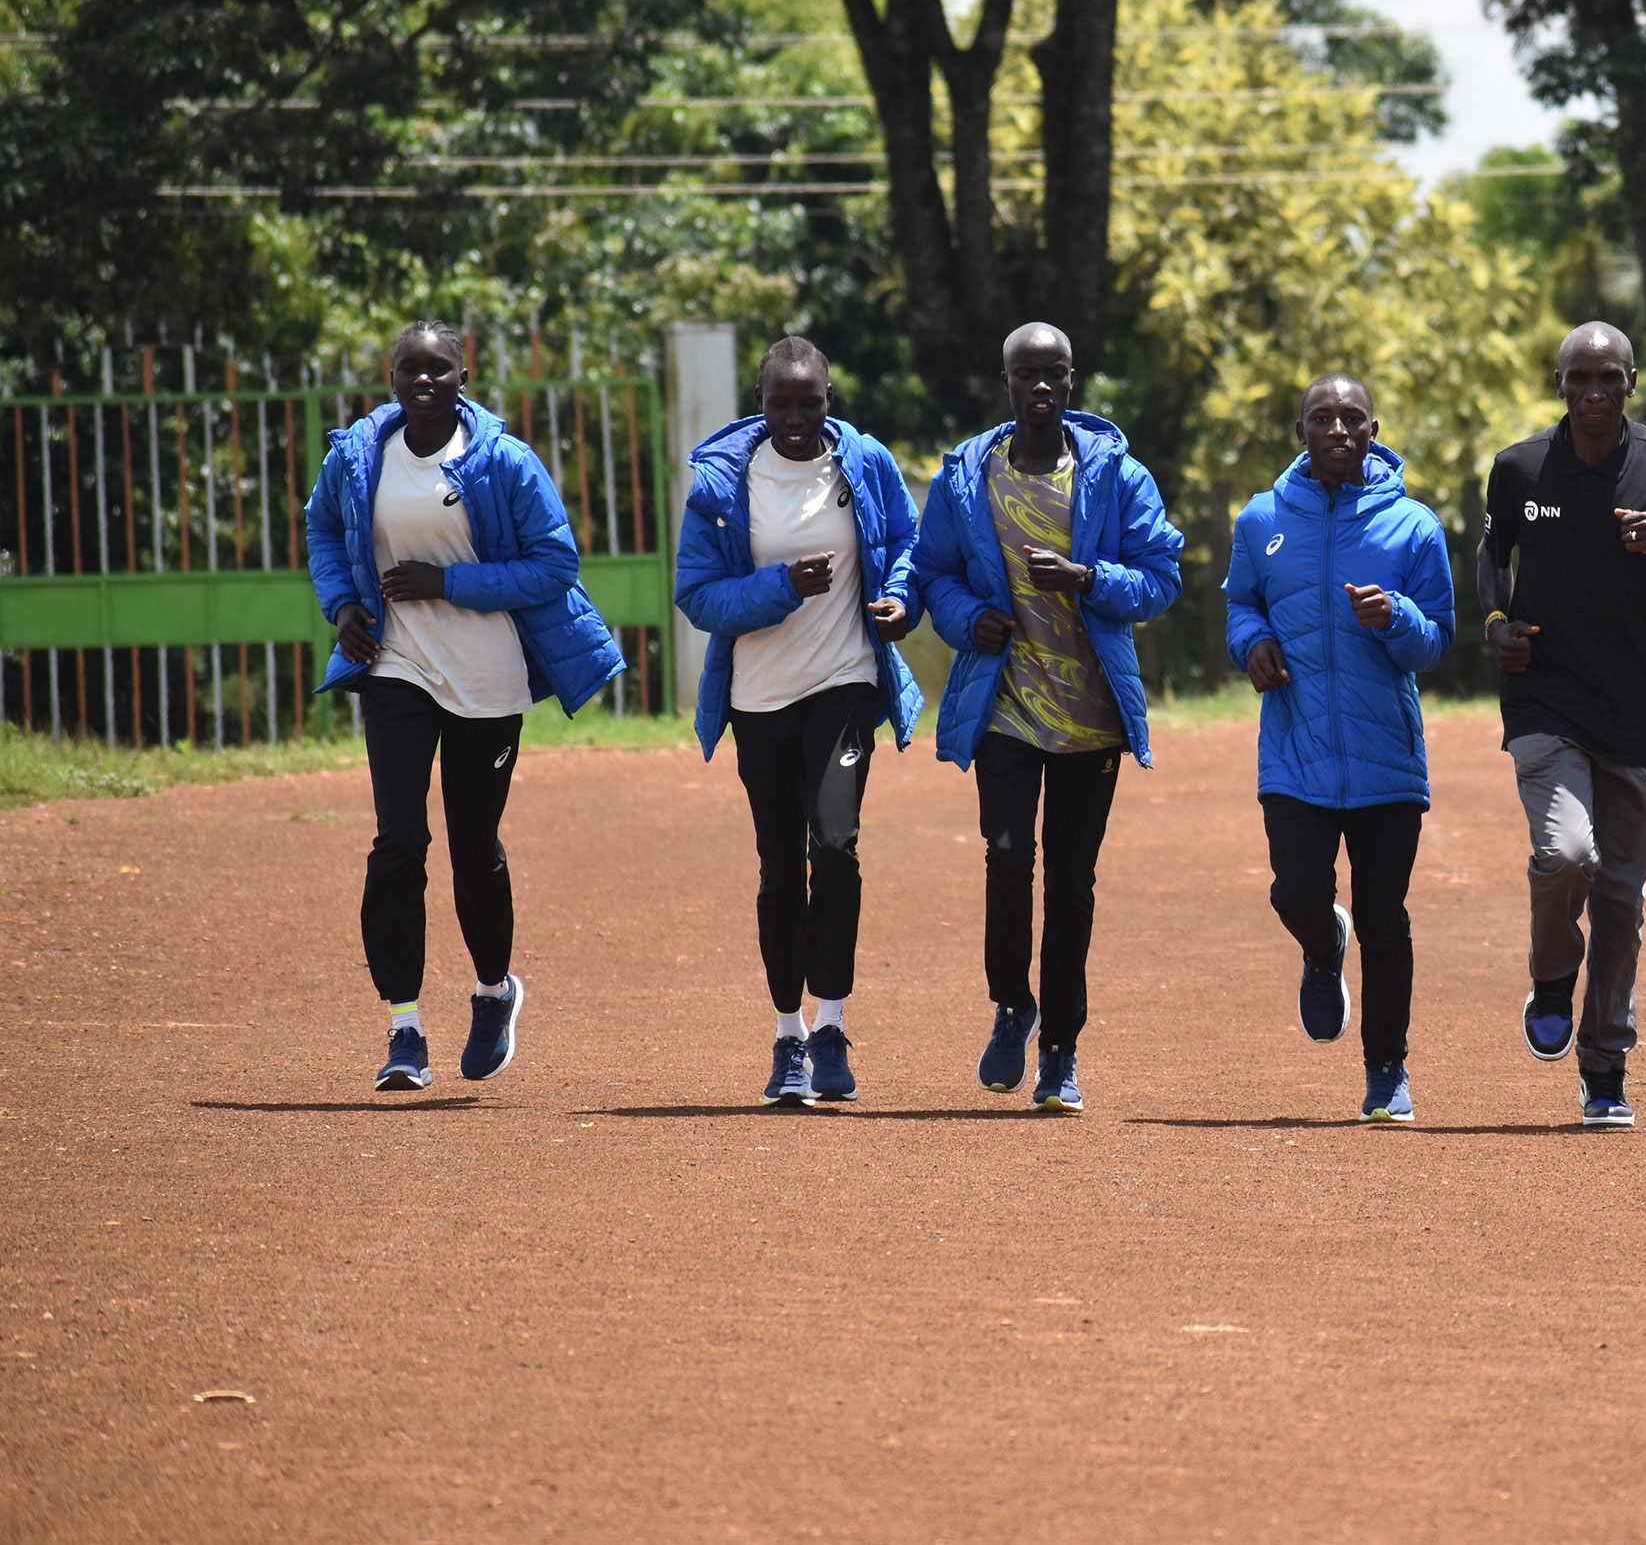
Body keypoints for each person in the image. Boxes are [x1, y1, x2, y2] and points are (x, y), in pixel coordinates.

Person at [306, 320, 625, 1092]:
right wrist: (342, 602)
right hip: (396, 666)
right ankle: (404, 1027)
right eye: (410, 369)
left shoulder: (502, 461)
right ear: (390, 377)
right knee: (398, 841)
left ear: (462, 375)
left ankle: (493, 990)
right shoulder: (358, 456)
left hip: (487, 679)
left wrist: (448, 584)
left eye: (439, 370)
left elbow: (554, 564)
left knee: (473, 842)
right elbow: (322, 526)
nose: (424, 382)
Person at [885, 322, 1184, 1114]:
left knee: (1072, 883)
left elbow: (1160, 579)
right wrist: (963, 619)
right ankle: (1011, 1004)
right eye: (1027, 375)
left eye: (1054, 374)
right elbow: (934, 568)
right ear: (1007, 382)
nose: (1041, 387)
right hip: (1005, 708)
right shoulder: (967, 474)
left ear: (1073, 381)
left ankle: (1060, 1050)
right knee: (1008, 856)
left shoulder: (1116, 475)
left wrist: (1088, 576)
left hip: (1092, 718)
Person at [1480, 321, 1646, 1128]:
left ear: (1633, 382)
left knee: (1623, 904)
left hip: (1634, 715)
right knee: (1567, 854)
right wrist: (1496, 621)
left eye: (1608, 378)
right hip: (1544, 704)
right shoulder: (1520, 466)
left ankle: (1606, 1068)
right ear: (1558, 382)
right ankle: (1554, 976)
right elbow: (1495, 549)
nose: (1593, 392)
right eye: (1578, 378)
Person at [675, 337, 925, 1107]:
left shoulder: (865, 462)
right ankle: (787, 1036)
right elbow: (699, 595)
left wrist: (902, 601)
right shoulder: (723, 483)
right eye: (780, 402)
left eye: (808, 401)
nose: (795, 416)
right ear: (760, 403)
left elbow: (910, 545)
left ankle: (832, 1025)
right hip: (760, 697)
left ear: (829, 397)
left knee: (837, 847)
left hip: (845, 683)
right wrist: (779, 587)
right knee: (780, 866)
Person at [1224, 373, 1456, 1124]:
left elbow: (1438, 641)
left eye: (1352, 418)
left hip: (1387, 756)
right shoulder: (1262, 520)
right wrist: (1251, 641)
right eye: (1321, 417)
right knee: (1295, 892)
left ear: (1373, 429)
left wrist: (1396, 617)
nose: (1337, 429)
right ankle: (1324, 949)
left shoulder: (1414, 525)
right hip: (1295, 748)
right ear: (1300, 432)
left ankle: (1387, 1071)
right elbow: (1241, 602)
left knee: (1385, 915)